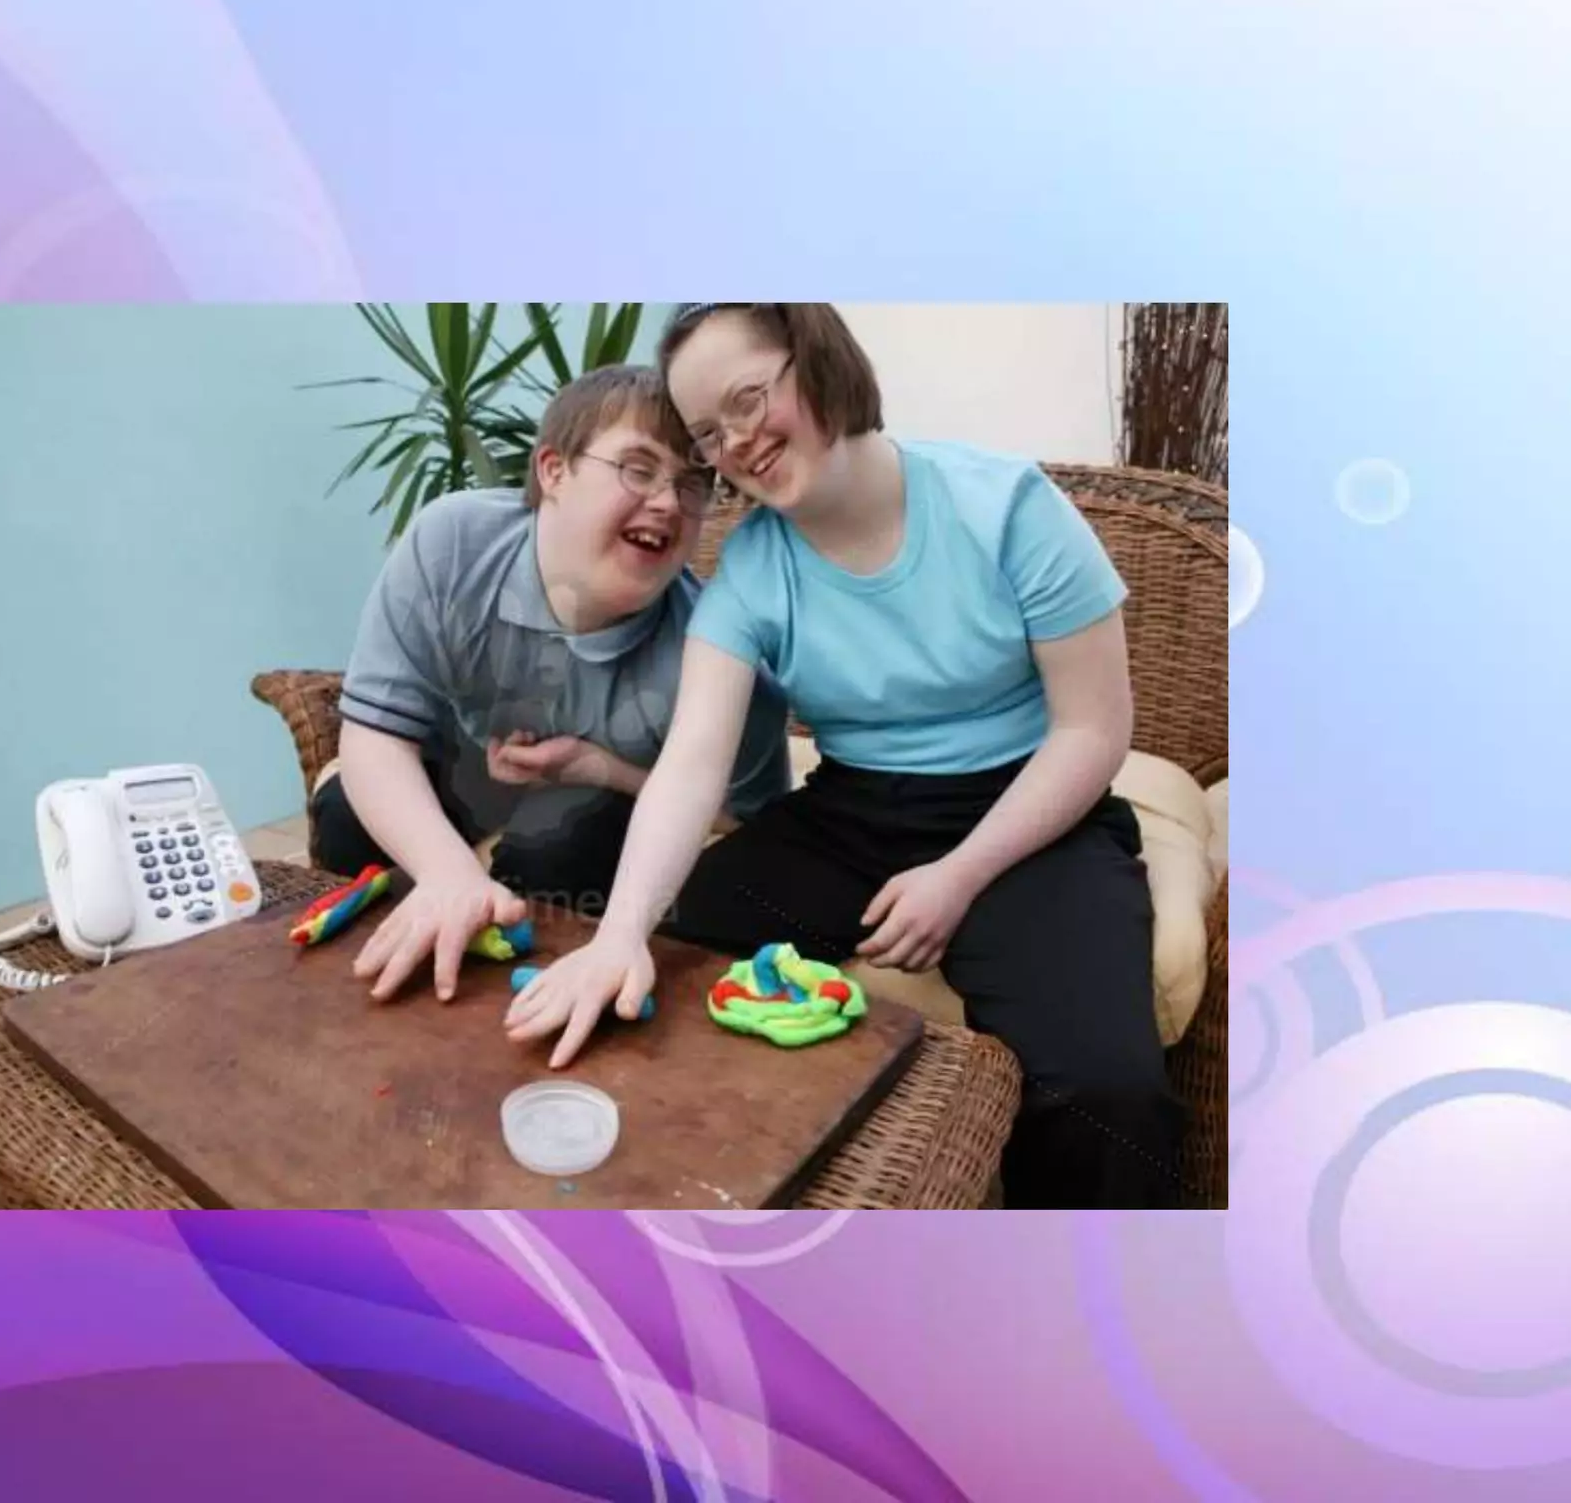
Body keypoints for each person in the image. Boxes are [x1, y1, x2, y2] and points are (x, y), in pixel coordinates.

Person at [504, 304, 1180, 1208]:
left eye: (748, 399)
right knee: (675, 954)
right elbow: (693, 764)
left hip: (1030, 811)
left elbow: (1092, 732)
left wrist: (959, 876)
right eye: (708, 433)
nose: (736, 443)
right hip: (853, 812)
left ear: (818, 359)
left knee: (1105, 1090)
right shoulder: (752, 570)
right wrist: (619, 936)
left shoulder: (1005, 508)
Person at [314, 363, 793, 1006]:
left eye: (691, 483)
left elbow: (748, 819)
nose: (667, 502)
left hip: (594, 816)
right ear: (553, 470)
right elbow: (373, 734)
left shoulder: (718, 652)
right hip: (467, 758)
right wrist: (450, 874)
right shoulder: (452, 543)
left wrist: (601, 769)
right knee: (346, 815)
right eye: (638, 468)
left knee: (559, 852)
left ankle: (530, 1000)